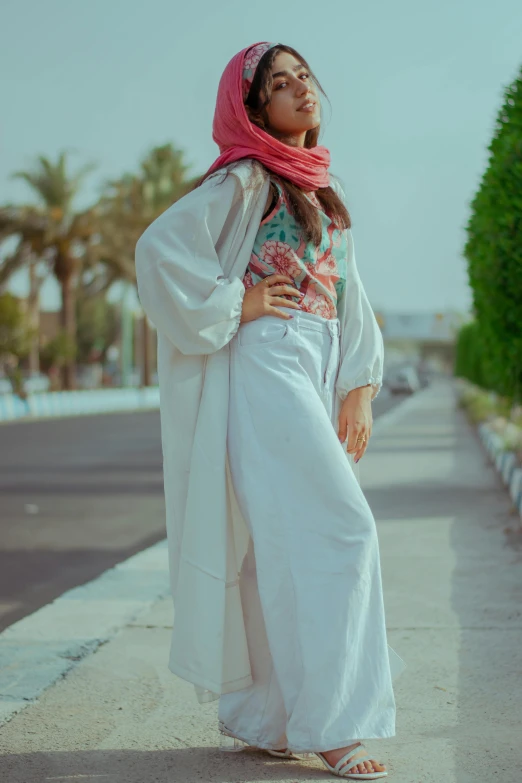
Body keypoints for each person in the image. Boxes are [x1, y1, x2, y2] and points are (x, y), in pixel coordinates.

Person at [135, 41, 405, 780]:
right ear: (254, 109)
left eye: (303, 77)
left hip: (314, 364)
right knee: (341, 526)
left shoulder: (323, 190)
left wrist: (361, 385)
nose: (298, 90)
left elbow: (352, 295)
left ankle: (270, 716)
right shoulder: (245, 180)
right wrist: (238, 303)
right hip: (266, 362)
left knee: (278, 543)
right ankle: (337, 725)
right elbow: (159, 250)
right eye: (278, 84)